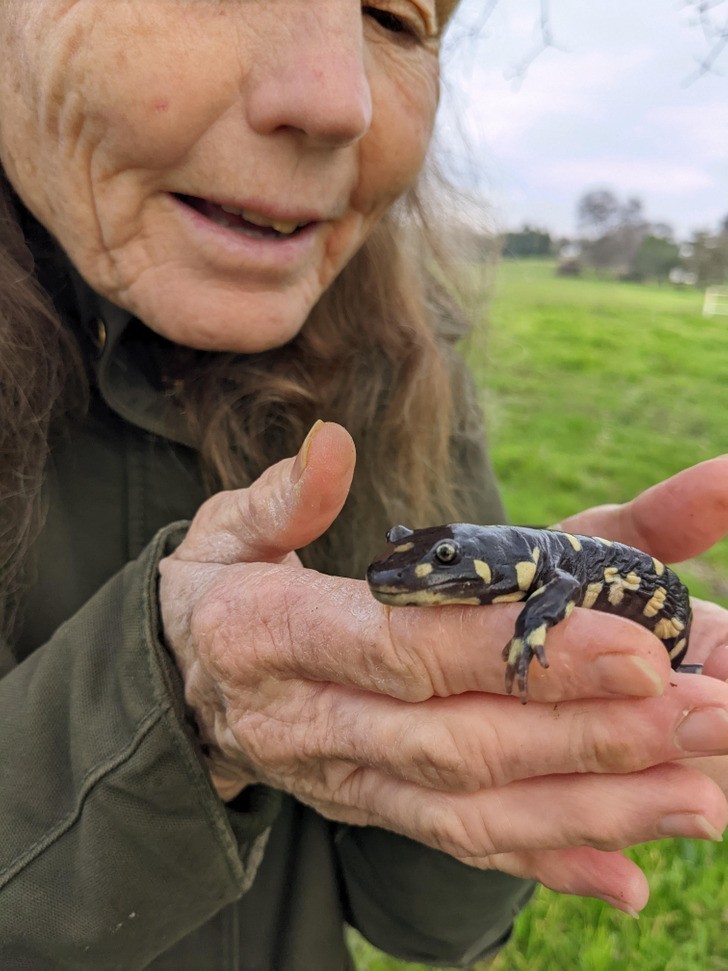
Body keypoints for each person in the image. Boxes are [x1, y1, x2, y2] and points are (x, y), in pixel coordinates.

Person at [1, 1, 728, 967]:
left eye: (393, 15)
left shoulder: (412, 373)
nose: (336, 98)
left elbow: (426, 923)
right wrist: (171, 709)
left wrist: (497, 769)